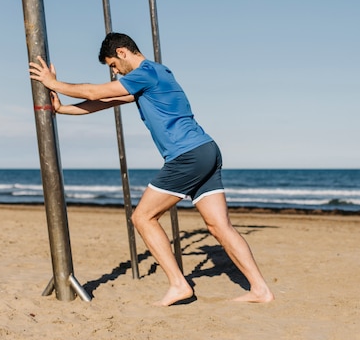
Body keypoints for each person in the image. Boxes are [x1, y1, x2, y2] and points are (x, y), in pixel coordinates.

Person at [29, 32, 274, 306]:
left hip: (188, 155)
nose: (114, 71)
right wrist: (63, 110)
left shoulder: (146, 73)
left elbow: (94, 91)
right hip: (206, 150)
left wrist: (52, 83)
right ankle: (260, 289)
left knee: (142, 218)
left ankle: (179, 285)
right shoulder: (154, 76)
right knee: (219, 226)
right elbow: (103, 102)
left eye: (112, 64)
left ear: (122, 52)